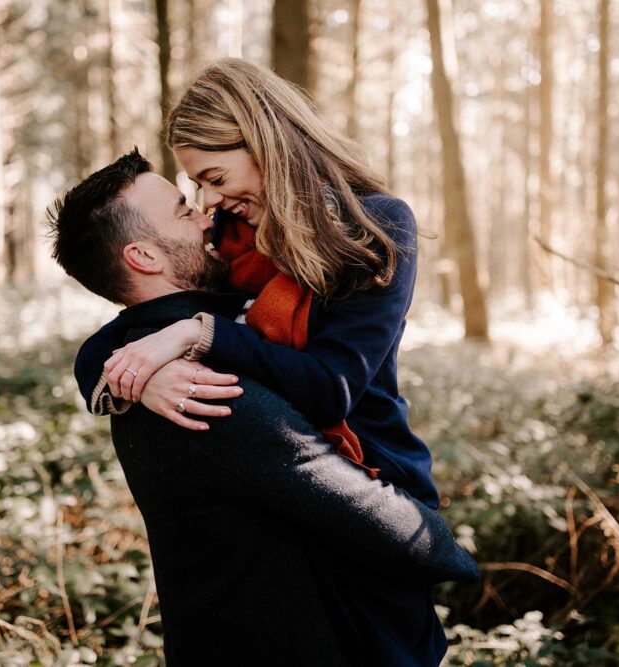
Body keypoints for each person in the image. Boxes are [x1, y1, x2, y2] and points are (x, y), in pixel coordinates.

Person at [50, 149, 479, 666]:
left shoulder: (155, 351)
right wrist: (446, 548)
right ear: (145, 257)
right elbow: (350, 501)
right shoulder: (204, 387)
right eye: (185, 210)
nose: (208, 214)